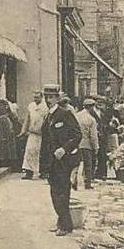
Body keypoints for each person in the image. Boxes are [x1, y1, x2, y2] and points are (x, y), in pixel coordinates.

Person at [40, 87, 81, 236]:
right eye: (46, 97)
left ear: (58, 98)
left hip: (64, 161)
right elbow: (44, 143)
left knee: (62, 193)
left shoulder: (65, 114)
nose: (48, 100)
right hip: (52, 162)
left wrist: (64, 149)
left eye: (51, 97)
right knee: (54, 193)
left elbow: (77, 135)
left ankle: (66, 225)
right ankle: (61, 221)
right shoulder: (48, 117)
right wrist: (43, 166)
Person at [18, 90, 49, 180]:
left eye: (37, 97)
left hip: (42, 134)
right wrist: (23, 131)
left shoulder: (45, 107)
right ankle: (29, 172)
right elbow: (27, 119)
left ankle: (43, 172)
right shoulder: (31, 106)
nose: (35, 99)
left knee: (42, 153)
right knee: (29, 152)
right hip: (32, 134)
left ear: (41, 97)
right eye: (34, 97)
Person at [76, 97, 100, 190]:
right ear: (91, 107)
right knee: (88, 165)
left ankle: (74, 182)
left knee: (75, 164)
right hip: (87, 144)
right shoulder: (91, 119)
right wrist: (96, 147)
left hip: (76, 143)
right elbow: (93, 136)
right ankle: (87, 183)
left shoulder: (76, 115)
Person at [0, 97, 21, 169]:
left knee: (8, 147)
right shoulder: (4, 117)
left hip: (7, 133)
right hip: (8, 132)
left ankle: (8, 161)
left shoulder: (4, 118)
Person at [92, 95, 112, 180]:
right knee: (93, 155)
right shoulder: (91, 112)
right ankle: (93, 173)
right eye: (98, 102)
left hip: (103, 136)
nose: (99, 104)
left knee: (103, 155)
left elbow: (107, 122)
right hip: (95, 135)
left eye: (101, 103)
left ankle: (102, 173)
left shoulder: (105, 112)